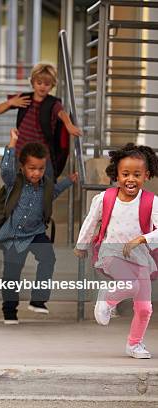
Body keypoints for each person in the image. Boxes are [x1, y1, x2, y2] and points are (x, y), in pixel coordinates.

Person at [75, 144, 158, 359]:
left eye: (137, 174)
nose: (131, 179)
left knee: (145, 308)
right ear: (116, 175)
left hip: (140, 258)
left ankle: (134, 344)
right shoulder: (105, 198)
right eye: (125, 174)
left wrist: (142, 239)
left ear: (146, 176)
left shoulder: (152, 202)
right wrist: (82, 244)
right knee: (130, 284)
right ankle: (107, 299)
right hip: (111, 253)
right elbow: (91, 221)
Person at [0, 129, 77, 324]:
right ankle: (9, 311)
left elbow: (54, 192)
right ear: (22, 167)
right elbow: (5, 168)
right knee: (12, 273)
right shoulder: (14, 181)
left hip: (36, 232)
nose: (36, 173)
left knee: (48, 258)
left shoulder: (45, 185)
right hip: (14, 235)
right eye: (32, 168)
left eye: (40, 168)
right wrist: (12, 143)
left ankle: (38, 300)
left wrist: (69, 181)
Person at [0, 63, 81, 179]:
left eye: (47, 84)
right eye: (39, 83)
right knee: (17, 184)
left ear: (52, 86)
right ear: (33, 83)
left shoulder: (53, 103)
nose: (42, 87)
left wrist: (69, 125)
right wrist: (10, 102)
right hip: (21, 152)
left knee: (46, 185)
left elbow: (62, 113)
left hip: (42, 155)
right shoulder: (24, 98)